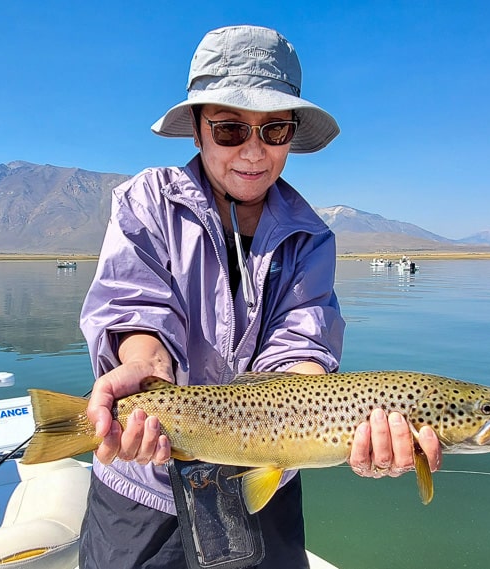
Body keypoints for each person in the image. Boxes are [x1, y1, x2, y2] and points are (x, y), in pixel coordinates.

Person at [77, 25, 442, 569]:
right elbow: (136, 308)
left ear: (291, 135)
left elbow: (301, 351)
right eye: (229, 129)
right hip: (144, 487)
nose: (253, 151)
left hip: (265, 486)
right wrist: (144, 369)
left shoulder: (311, 238)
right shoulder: (145, 202)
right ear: (197, 131)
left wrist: (346, 429)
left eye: (274, 130)